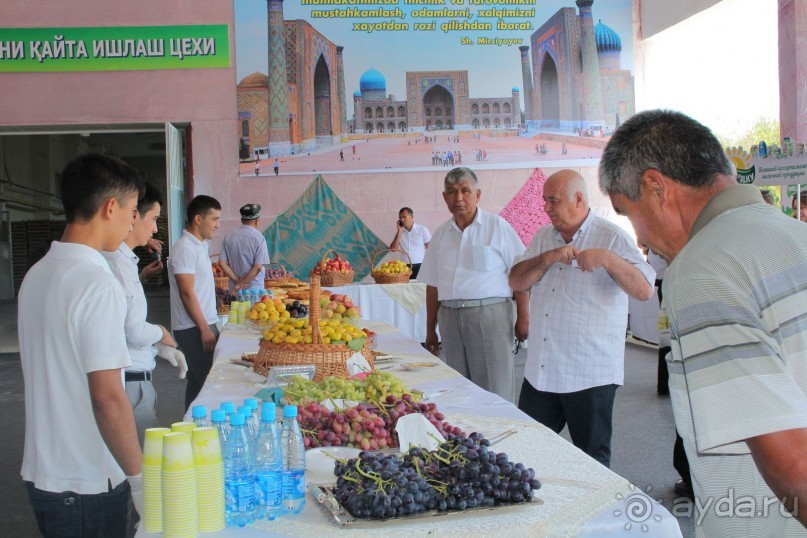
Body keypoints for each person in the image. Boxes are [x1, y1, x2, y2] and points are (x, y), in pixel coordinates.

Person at [599, 109, 807, 534]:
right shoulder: (793, 236)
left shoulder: (701, 271)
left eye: (627, 211)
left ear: (655, 186)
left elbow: (795, 465)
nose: (638, 238)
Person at [19, 154, 145, 535]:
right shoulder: (96, 281)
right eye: (132, 211)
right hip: (87, 481)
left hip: (46, 475)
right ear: (110, 208)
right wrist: (138, 478)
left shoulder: (38, 273)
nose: (131, 223)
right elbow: (107, 397)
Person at [509, 170, 654, 467]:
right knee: (528, 452)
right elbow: (516, 281)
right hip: (542, 370)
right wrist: (547, 258)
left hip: (589, 374)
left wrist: (608, 260)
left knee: (592, 460)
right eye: (545, 201)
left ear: (578, 199)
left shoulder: (611, 237)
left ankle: (596, 514)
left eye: (553, 201)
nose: (546, 208)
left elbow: (644, 290)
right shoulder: (542, 237)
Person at [419, 167, 529, 403]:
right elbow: (433, 286)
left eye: (465, 191)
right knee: (459, 388)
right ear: (444, 197)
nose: (458, 198)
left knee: (494, 388)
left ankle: (501, 434)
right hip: (449, 317)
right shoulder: (440, 235)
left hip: (490, 315)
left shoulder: (497, 227)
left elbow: (521, 275)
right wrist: (430, 328)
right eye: (452, 192)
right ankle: (467, 437)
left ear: (477, 194)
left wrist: (523, 319)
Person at [102, 183, 188, 446]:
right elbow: (134, 329)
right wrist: (161, 333)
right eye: (152, 219)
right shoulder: (116, 262)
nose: (154, 229)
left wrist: (158, 348)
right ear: (132, 215)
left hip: (135, 376)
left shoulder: (123, 261)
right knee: (141, 464)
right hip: (131, 382)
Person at [168, 195, 222, 410]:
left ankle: (190, 426)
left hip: (202, 323)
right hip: (193, 327)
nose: (218, 225)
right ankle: (201, 433)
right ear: (198, 219)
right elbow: (187, 292)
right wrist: (204, 329)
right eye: (214, 219)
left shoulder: (199, 245)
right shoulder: (184, 248)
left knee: (197, 383)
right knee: (207, 387)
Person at [219, 203, 271, 291]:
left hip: (235, 288)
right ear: (257, 221)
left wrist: (238, 282)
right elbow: (258, 266)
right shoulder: (259, 238)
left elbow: (222, 263)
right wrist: (243, 283)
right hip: (254, 290)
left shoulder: (228, 237)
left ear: (242, 220)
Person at [389, 207, 431, 279]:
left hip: (420, 266)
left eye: (404, 217)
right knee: (405, 289)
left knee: (420, 288)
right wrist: (399, 231)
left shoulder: (422, 230)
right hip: (404, 267)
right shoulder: (399, 232)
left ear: (412, 217)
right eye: (400, 217)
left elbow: (430, 249)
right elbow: (393, 249)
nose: (402, 219)